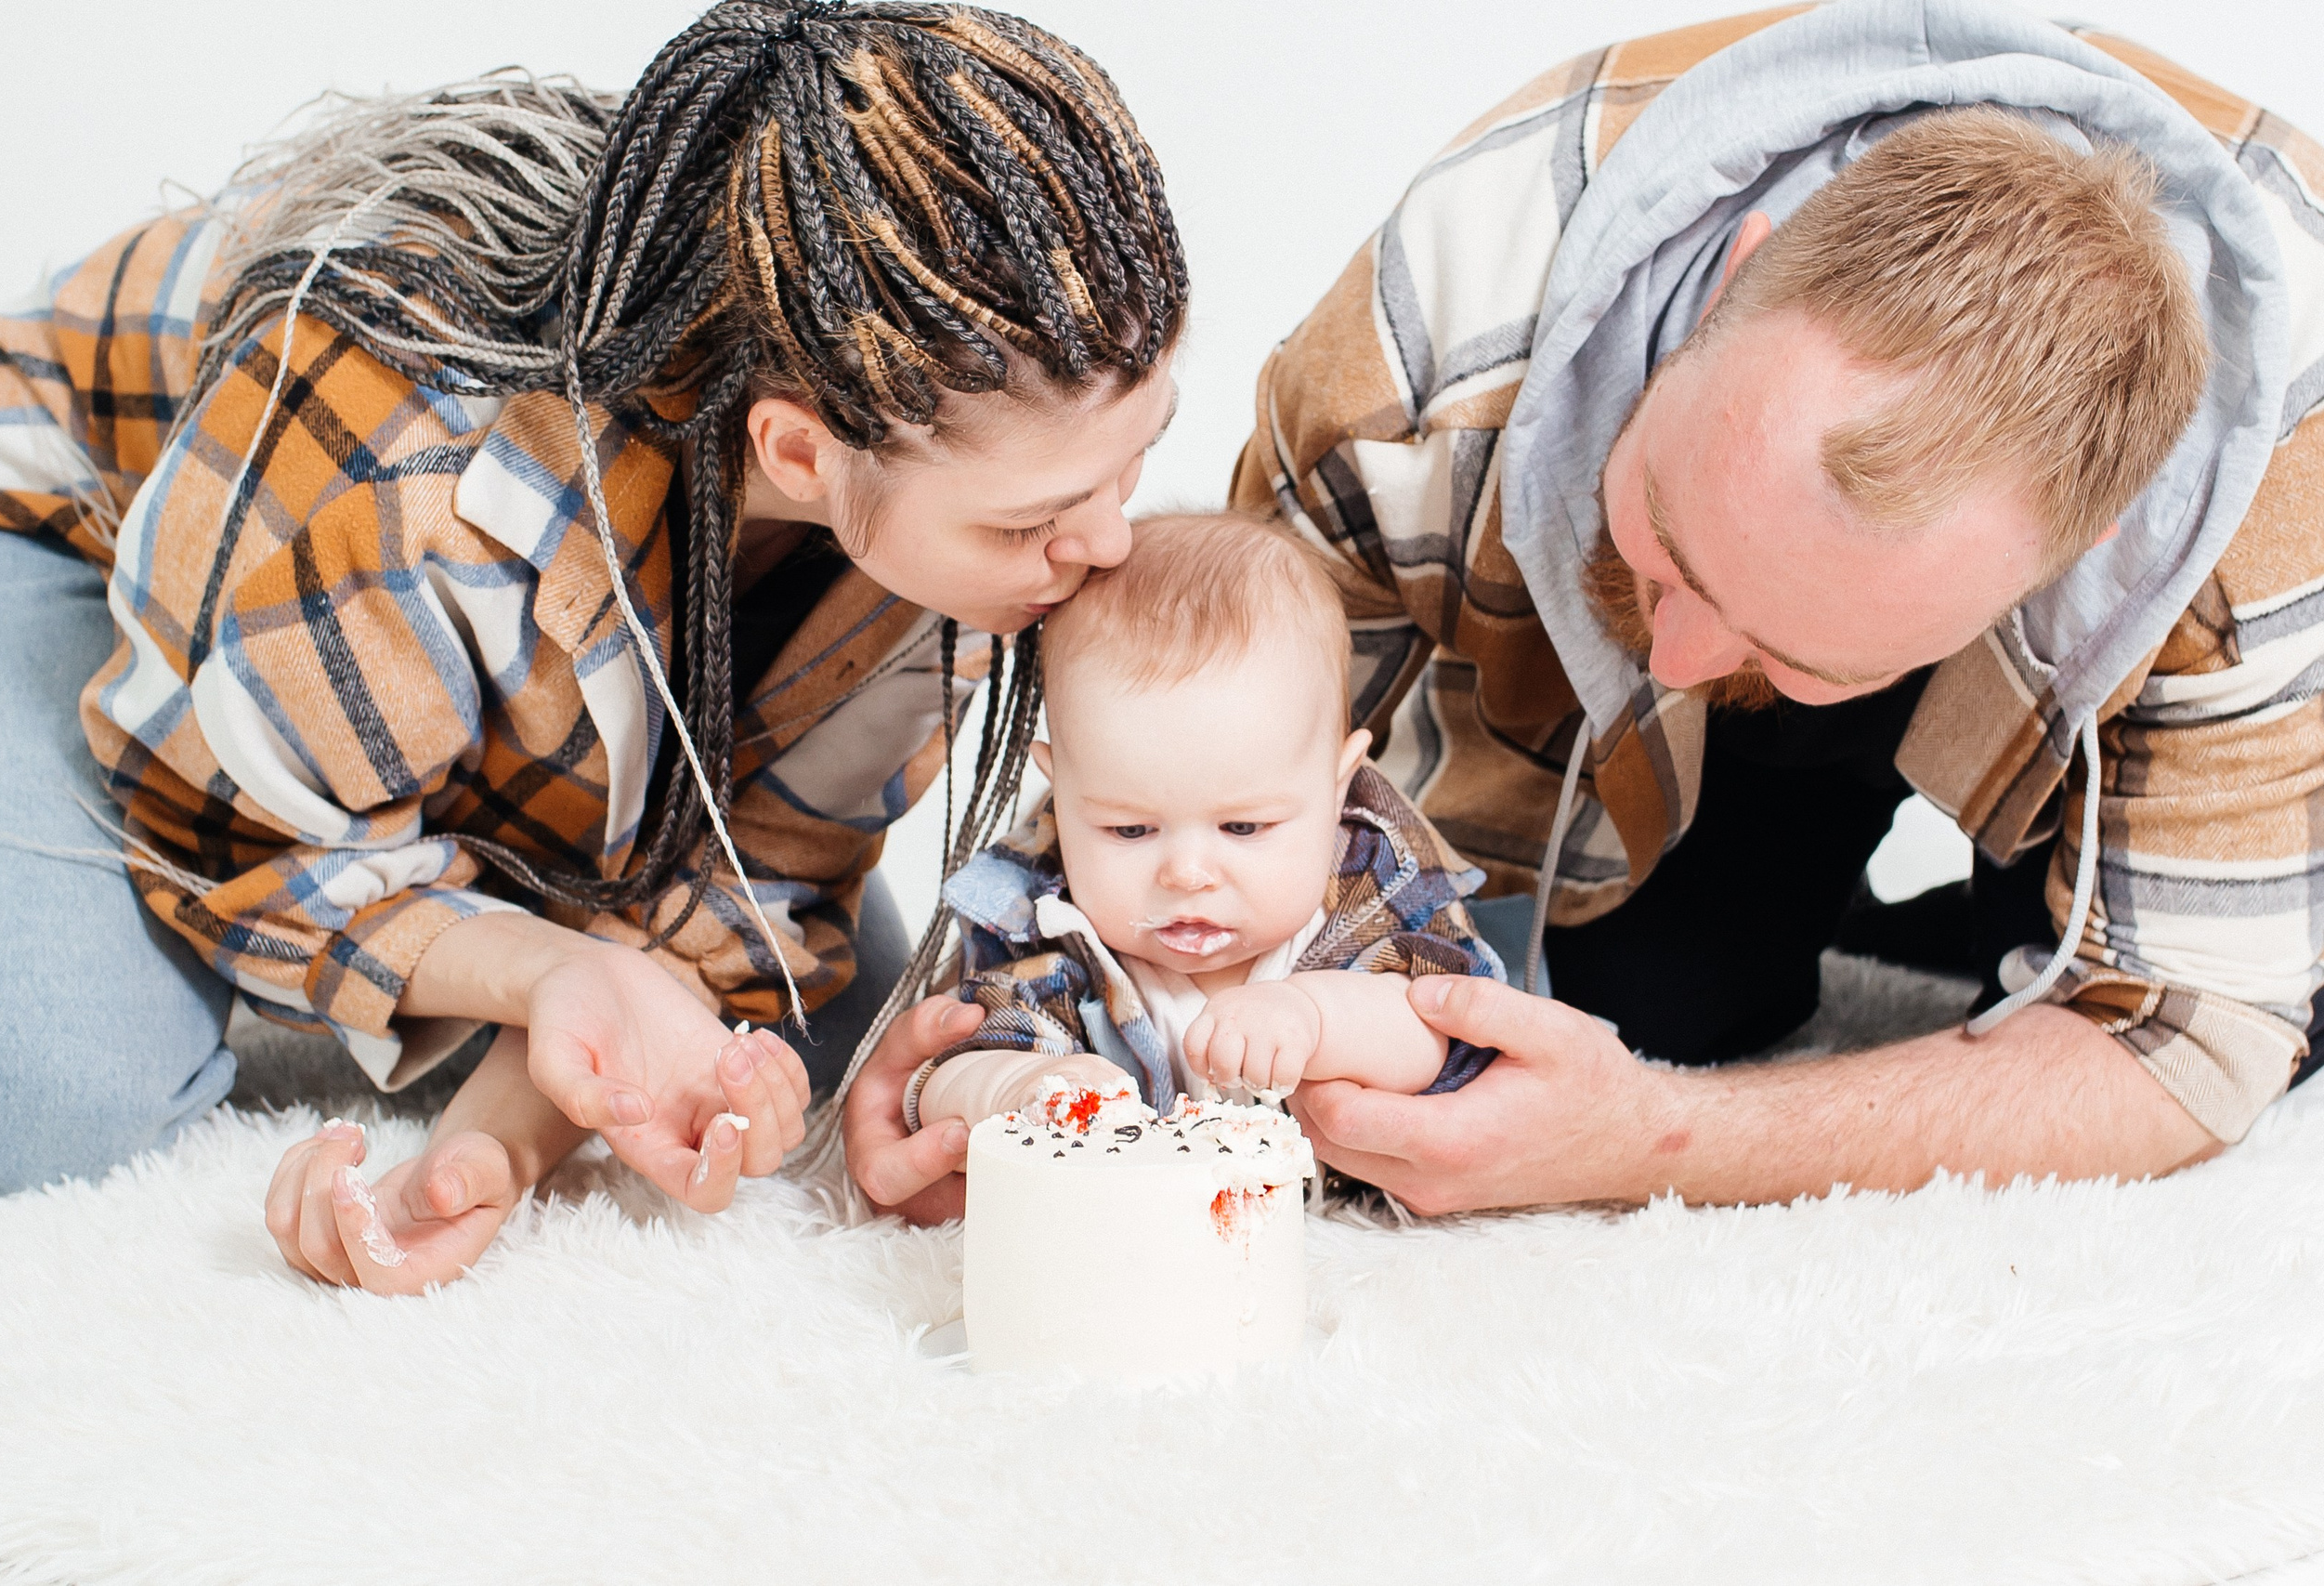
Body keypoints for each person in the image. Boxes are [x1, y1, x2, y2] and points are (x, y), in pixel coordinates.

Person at [844, 0, 2324, 1223]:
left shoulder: (2270, 501)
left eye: (1792, 646)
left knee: (2202, 1014)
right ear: (1735, 278)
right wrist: (985, 1038)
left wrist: (1651, 1138)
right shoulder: (1433, 349)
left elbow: (2185, 1046)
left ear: (2080, 555)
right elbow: (1190, 738)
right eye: (1664, 536)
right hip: (1627, 524)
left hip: (2179, 684)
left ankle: (2038, 863)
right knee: (1663, 994)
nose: (1671, 653)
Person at [0, 1, 1186, 1291]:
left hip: (426, 611)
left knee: (819, 1043)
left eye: (1135, 459)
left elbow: (742, 902)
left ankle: (445, 792)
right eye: (1032, 520)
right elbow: (226, 825)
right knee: (44, 1097)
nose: (1107, 542)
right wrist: (541, 959)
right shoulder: (420, 451)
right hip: (75, 516)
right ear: (800, 451)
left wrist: (494, 1134)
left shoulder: (946, 528)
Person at [904, 512, 1504, 1135]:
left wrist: (1313, 1017)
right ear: (1063, 794)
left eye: (1242, 828)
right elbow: (941, 1075)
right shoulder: (1048, 931)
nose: (1187, 875)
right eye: (1130, 830)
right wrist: (1016, 1084)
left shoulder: (1372, 893)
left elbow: (1441, 1037)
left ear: (1337, 789)